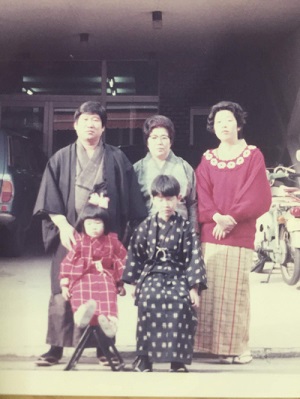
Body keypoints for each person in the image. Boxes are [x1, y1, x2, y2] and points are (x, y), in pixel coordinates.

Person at [33, 101, 147, 366]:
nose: (90, 125)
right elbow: (50, 198)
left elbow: (132, 203)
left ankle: (104, 349)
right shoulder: (61, 158)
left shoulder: (117, 158)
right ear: (75, 125)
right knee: (62, 287)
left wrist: (122, 239)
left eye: (96, 120)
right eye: (85, 120)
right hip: (71, 234)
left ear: (104, 126)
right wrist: (61, 225)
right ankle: (56, 347)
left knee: (103, 291)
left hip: (105, 239)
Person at [193, 101, 272, 364]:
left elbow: (257, 192)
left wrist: (231, 218)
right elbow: (201, 191)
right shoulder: (208, 158)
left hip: (238, 234)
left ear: (238, 124)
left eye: (228, 120)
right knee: (210, 292)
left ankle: (238, 347)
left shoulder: (252, 155)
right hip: (211, 234)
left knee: (235, 293)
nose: (223, 125)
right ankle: (212, 347)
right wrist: (215, 216)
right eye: (218, 122)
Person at [122, 175, 207, 372]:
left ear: (179, 198)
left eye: (170, 199)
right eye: (160, 199)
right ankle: (144, 359)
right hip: (152, 274)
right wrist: (135, 284)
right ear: (153, 199)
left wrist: (194, 288)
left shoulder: (186, 228)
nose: (166, 204)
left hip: (178, 275)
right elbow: (135, 254)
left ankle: (177, 361)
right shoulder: (145, 226)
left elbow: (194, 257)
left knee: (181, 302)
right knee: (149, 299)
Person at [59, 203, 127, 339]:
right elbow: (68, 261)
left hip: (105, 276)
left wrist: (120, 283)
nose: (93, 227)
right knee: (79, 291)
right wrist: (64, 284)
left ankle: (109, 321)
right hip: (83, 276)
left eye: (97, 223)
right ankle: (82, 314)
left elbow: (122, 258)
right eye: (89, 224)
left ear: (105, 224)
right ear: (83, 225)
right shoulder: (80, 241)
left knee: (108, 293)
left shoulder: (112, 240)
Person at [134, 115, 198, 229]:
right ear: (147, 142)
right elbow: (132, 208)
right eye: (154, 137)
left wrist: (193, 234)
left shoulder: (184, 167)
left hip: (180, 233)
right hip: (148, 234)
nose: (159, 142)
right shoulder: (137, 169)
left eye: (164, 137)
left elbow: (193, 204)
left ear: (171, 141)